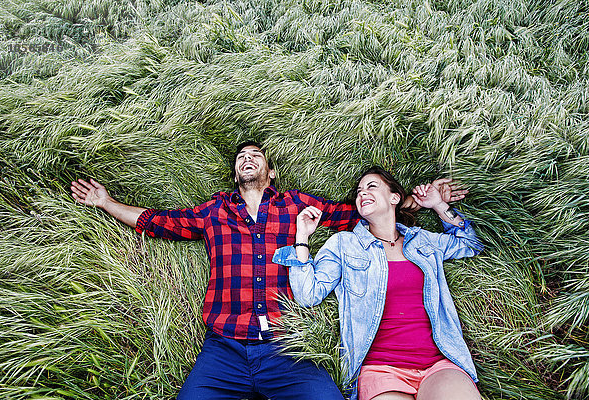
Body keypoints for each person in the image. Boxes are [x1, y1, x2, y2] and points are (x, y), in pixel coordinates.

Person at [71, 142, 467, 400]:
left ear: (270, 171)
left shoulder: (295, 204)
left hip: (285, 347)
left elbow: (359, 212)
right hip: (223, 347)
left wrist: (417, 204)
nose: (247, 158)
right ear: (235, 173)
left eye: (256, 155)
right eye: (241, 157)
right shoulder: (214, 211)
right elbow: (158, 221)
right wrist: (107, 203)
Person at [272, 166, 483, 400]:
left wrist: (437, 205)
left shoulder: (421, 240)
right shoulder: (344, 244)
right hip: (380, 370)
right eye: (359, 191)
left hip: (438, 364)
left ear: (395, 198)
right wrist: (302, 237)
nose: (362, 194)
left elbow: (470, 244)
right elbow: (307, 294)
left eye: (371, 187)